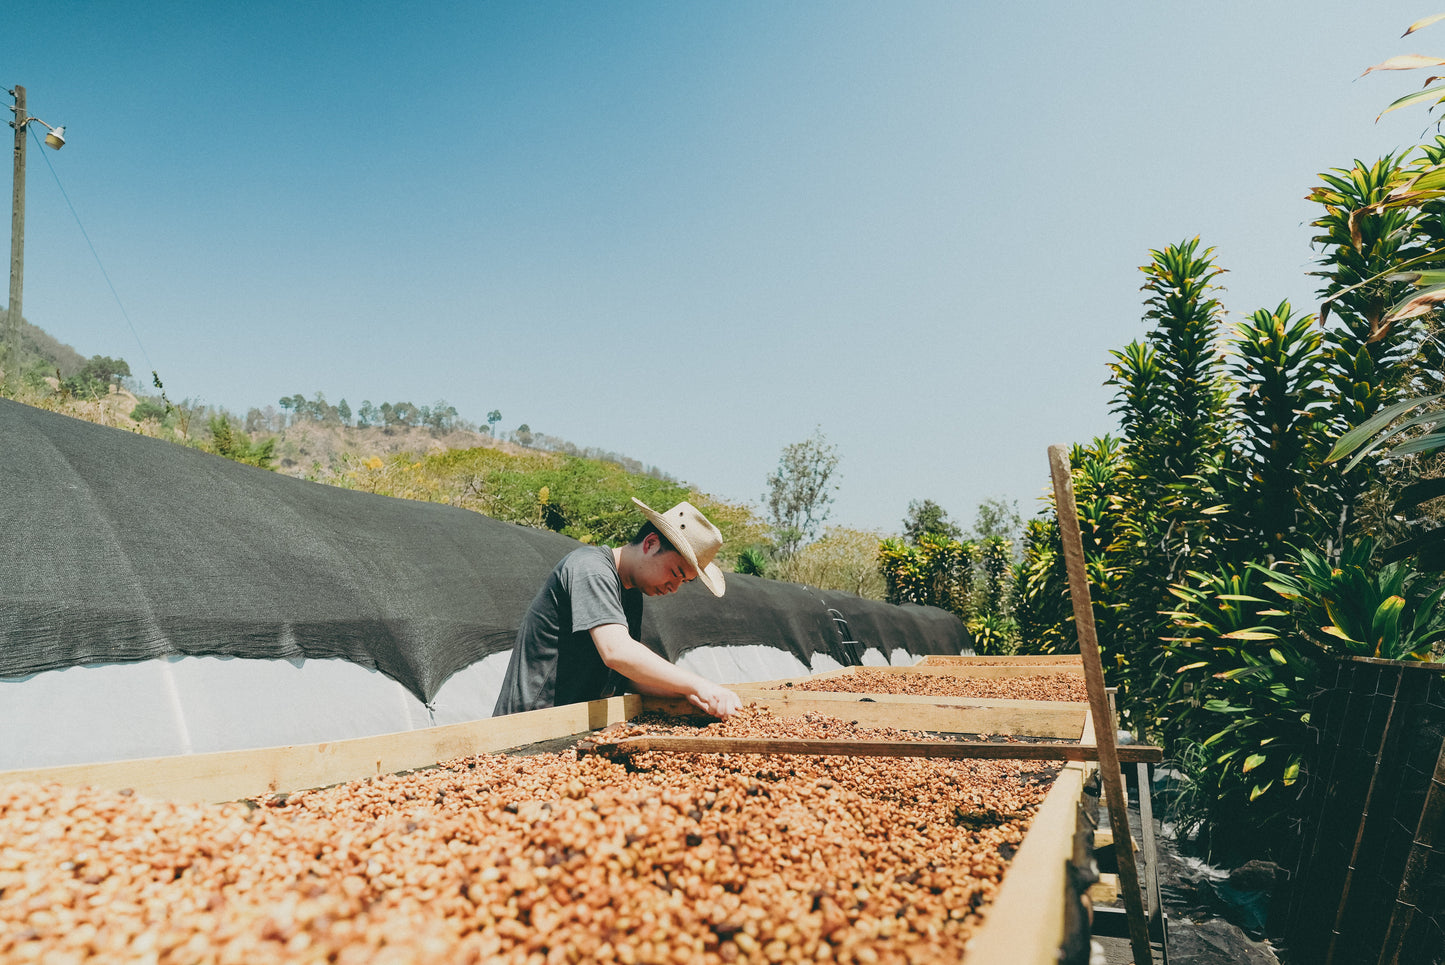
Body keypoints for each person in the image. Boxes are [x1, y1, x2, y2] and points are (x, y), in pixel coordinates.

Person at [492, 497, 743, 719]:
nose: (674, 587)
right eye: (675, 573)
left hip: (569, 729)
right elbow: (617, 653)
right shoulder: (591, 569)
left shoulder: (631, 593)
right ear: (651, 543)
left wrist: (689, 693)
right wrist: (698, 685)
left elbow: (626, 675)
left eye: (684, 581)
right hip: (529, 729)